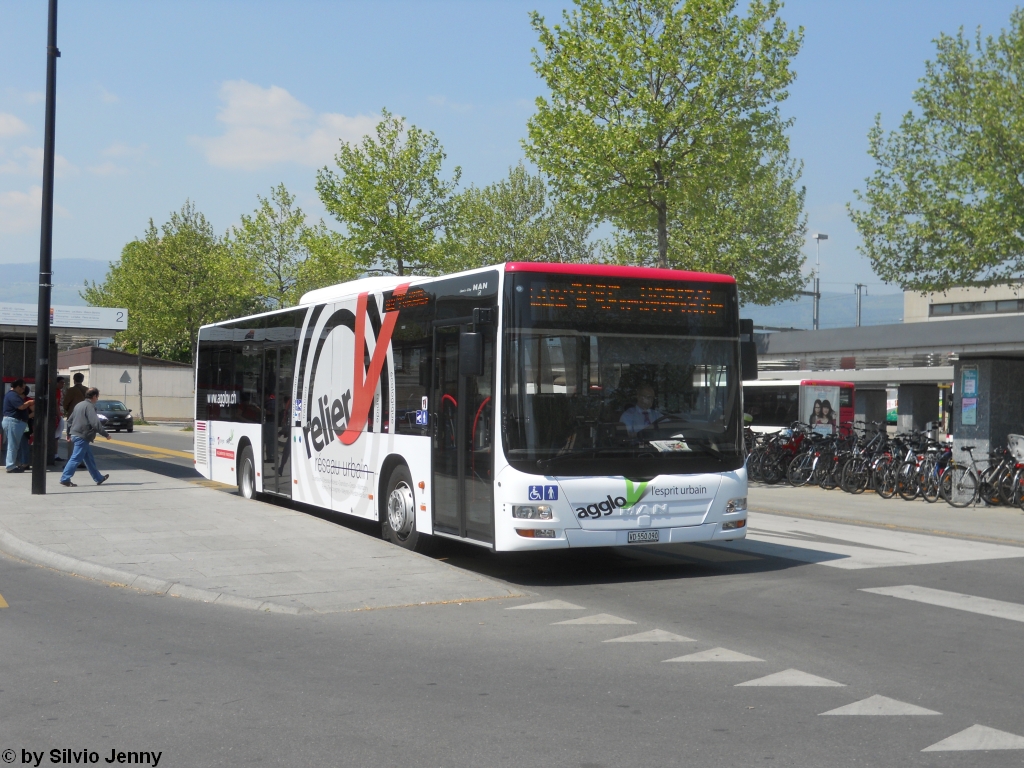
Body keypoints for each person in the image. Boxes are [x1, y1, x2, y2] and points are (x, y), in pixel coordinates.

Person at [60, 387, 110, 487]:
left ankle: (98, 478)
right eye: (97, 397)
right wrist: (105, 434)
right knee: (75, 458)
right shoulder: (90, 406)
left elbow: (69, 421)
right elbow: (95, 423)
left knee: (89, 458)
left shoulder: (79, 405)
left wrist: (69, 434)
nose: (97, 399)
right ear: (94, 396)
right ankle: (65, 478)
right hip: (82, 435)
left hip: (77, 434)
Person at [3, 380, 34, 473]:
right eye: (23, 388)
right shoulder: (13, 395)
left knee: (14, 445)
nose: (23, 390)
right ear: (18, 387)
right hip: (14, 422)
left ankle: (11, 465)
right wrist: (29, 402)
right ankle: (10, 466)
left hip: (15, 422)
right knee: (13, 445)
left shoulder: (12, 395)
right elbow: (21, 407)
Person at [64, 372, 87, 440]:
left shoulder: (71, 390)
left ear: (74, 380)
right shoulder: (87, 390)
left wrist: (69, 410)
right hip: (85, 417)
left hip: (73, 417)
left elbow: (65, 404)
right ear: (82, 380)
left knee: (71, 438)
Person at [51, 376, 66, 464]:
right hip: (57, 416)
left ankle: (55, 454)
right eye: (61, 382)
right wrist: (58, 415)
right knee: (56, 437)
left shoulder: (59, 391)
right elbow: (56, 404)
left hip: (59, 415)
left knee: (56, 437)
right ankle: (55, 454)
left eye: (63, 383)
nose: (63, 384)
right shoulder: (56, 391)